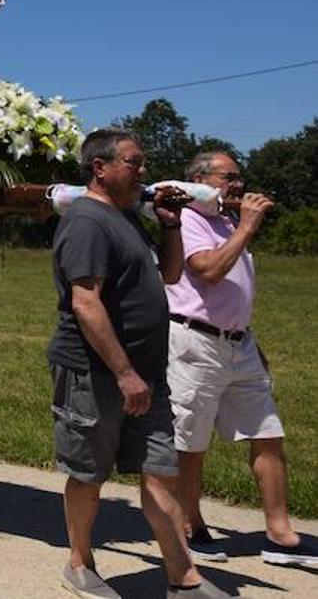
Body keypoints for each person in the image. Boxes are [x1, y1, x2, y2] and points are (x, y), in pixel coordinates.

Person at [47, 129, 226, 599]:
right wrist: (124, 374)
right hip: (94, 373)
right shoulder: (86, 222)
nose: (144, 171)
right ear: (100, 168)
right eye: (134, 162)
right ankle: (79, 563)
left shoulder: (126, 217)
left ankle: (183, 578)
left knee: (161, 471)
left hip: (146, 374)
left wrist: (170, 226)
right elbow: (86, 303)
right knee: (88, 474)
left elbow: (171, 274)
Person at [165, 151, 317, 568]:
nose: (237, 185)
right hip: (195, 343)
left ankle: (280, 534)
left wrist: (251, 340)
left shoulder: (227, 222)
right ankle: (190, 526)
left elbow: (234, 290)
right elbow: (207, 270)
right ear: (200, 180)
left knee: (268, 435)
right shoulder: (188, 219)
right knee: (191, 441)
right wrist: (248, 227)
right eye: (228, 177)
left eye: (238, 177)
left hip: (239, 343)